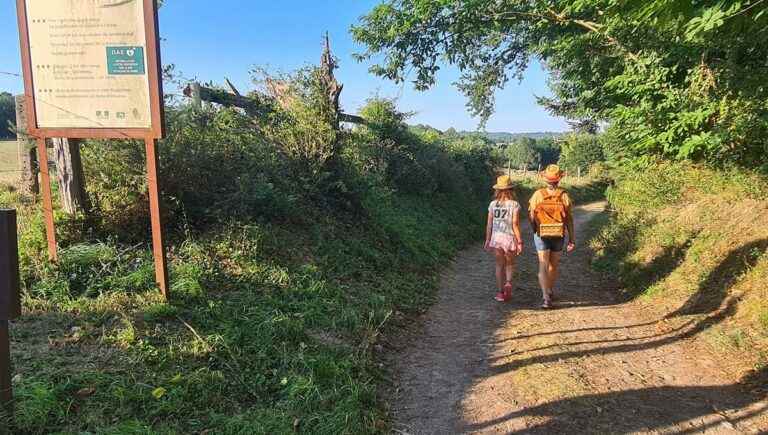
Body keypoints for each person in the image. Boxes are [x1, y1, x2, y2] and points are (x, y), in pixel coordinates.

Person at [529, 165, 576, 309]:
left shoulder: (538, 194)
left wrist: (536, 229)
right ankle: (549, 290)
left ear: (546, 180)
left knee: (542, 265)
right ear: (559, 179)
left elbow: (531, 215)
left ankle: (545, 297)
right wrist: (572, 239)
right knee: (553, 266)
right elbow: (569, 219)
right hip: (558, 234)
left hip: (542, 233)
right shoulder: (564, 195)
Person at [484, 175, 523, 302]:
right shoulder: (514, 205)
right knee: (510, 264)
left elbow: (489, 224)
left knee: (499, 265)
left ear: (497, 190)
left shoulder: (493, 204)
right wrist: (519, 241)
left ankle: (500, 293)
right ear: (511, 190)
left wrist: (487, 239)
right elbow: (515, 224)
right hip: (509, 237)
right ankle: (508, 282)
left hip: (496, 237)